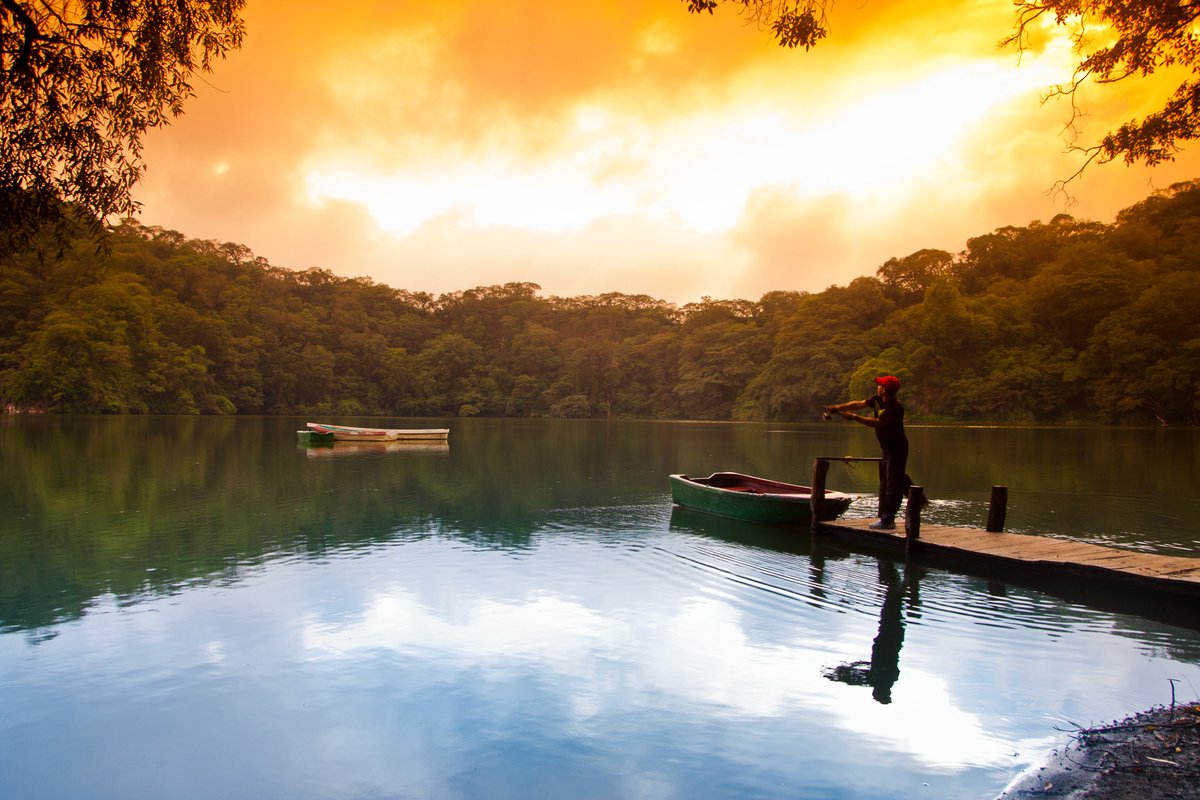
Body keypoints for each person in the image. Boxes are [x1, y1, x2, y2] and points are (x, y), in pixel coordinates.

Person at [825, 376, 910, 530]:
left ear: (884, 389)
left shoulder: (896, 407)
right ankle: (891, 513)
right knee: (888, 481)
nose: (878, 387)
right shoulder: (879, 399)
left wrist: (854, 417)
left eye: (880, 385)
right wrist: (838, 408)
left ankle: (887, 520)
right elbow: (859, 404)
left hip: (897, 449)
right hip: (887, 449)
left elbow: (878, 423)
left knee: (892, 485)